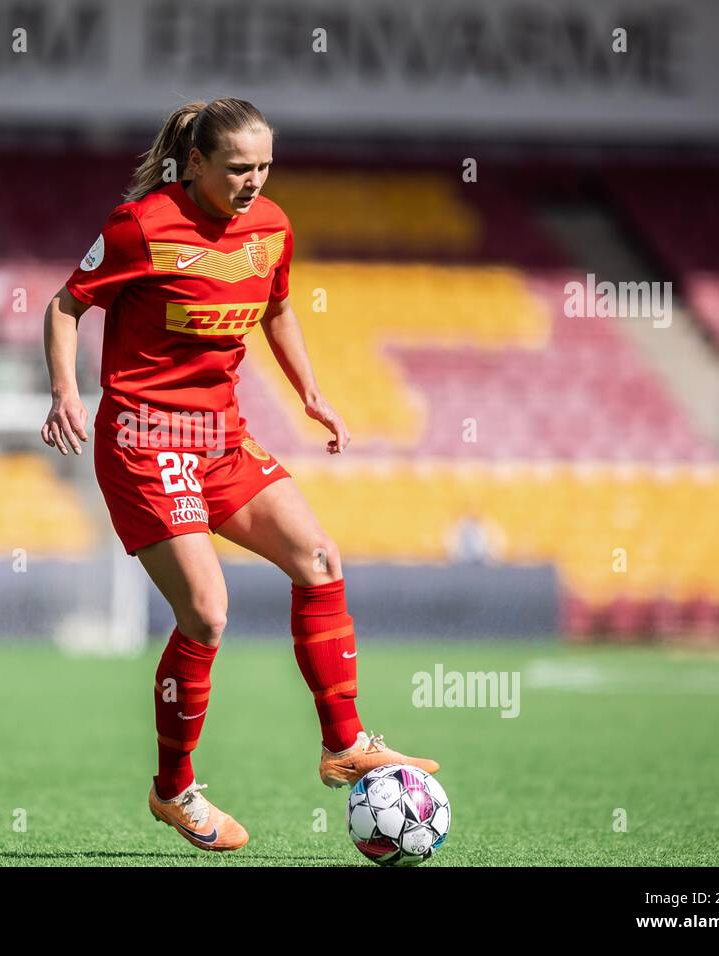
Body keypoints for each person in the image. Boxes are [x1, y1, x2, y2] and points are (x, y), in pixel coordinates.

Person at [41, 98, 439, 853]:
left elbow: (277, 306)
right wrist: (64, 390)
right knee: (207, 612)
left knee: (318, 559)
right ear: (195, 164)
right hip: (143, 438)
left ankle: (345, 743)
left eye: (262, 167)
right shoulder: (143, 226)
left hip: (220, 438)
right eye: (237, 169)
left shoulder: (271, 227)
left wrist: (310, 392)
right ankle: (173, 790)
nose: (253, 182)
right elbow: (66, 306)